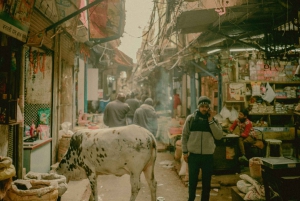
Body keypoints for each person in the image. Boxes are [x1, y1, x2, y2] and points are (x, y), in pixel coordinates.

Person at [181, 96, 223, 201]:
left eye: (206, 107)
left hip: (208, 157)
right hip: (193, 156)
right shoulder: (191, 119)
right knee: (192, 182)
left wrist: (210, 120)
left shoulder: (214, 121)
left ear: (209, 108)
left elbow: (219, 136)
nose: (204, 109)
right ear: (198, 107)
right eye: (202, 106)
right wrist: (185, 152)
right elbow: (184, 136)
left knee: (206, 183)